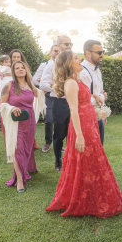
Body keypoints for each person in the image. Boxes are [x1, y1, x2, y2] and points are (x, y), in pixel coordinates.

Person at [45, 51, 122, 217]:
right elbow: (73, 110)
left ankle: (91, 194)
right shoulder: (70, 83)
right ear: (68, 64)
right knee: (87, 158)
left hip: (89, 123)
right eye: (76, 58)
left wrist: (94, 95)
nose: (80, 59)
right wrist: (80, 136)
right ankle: (86, 199)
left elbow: (81, 97)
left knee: (91, 159)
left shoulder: (77, 80)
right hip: (82, 127)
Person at [0, 61, 41, 192]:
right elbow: (1, 104)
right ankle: (19, 179)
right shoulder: (9, 86)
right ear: (13, 71)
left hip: (30, 121)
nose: (20, 69)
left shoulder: (30, 85)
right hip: (16, 123)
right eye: (17, 68)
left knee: (27, 148)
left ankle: (26, 169)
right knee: (17, 149)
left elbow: (40, 96)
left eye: (23, 68)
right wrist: (11, 108)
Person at [40, 35, 73, 170]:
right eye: (66, 44)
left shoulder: (74, 63)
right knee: (59, 134)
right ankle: (58, 161)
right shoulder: (51, 65)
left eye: (71, 44)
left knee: (73, 132)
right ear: (58, 46)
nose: (69, 46)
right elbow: (42, 84)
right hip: (59, 102)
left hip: (74, 102)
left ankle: (72, 159)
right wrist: (58, 86)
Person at [33, 45, 61, 153]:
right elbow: (34, 79)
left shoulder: (64, 64)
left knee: (60, 121)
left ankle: (58, 143)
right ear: (50, 52)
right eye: (55, 51)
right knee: (49, 120)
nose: (57, 52)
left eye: (59, 51)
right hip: (49, 95)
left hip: (60, 96)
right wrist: (43, 82)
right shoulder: (44, 65)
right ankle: (48, 142)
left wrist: (57, 85)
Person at [79, 40, 108, 145]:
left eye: (103, 51)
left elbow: (98, 92)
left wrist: (103, 114)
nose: (102, 55)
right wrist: (102, 97)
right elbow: (84, 100)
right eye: (99, 52)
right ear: (88, 53)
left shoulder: (97, 70)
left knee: (99, 149)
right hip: (87, 119)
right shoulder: (83, 72)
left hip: (98, 116)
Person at [0, 55, 12, 129]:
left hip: (4, 84)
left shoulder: (2, 69)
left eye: (9, 62)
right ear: (1, 63)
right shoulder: (5, 69)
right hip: (3, 85)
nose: (8, 63)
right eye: (6, 62)